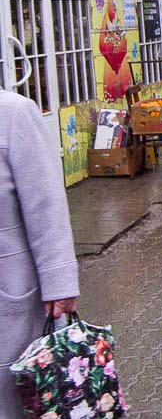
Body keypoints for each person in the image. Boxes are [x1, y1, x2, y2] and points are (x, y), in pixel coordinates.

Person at [1, 91, 79, 418]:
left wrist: (59, 280)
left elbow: (46, 204)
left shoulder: (13, 114)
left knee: (19, 399)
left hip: (11, 297)